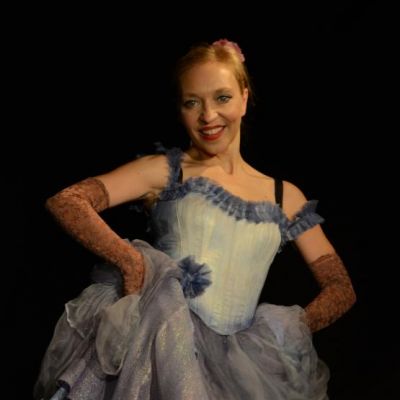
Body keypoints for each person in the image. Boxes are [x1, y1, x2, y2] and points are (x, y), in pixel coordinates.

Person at [34, 39, 356, 400]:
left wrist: (287, 330)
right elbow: (68, 201)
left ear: (244, 98)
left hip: (242, 370)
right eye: (192, 102)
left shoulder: (285, 196)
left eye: (222, 97)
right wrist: (130, 262)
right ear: (180, 109)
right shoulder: (168, 171)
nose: (208, 116)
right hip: (158, 350)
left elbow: (340, 287)